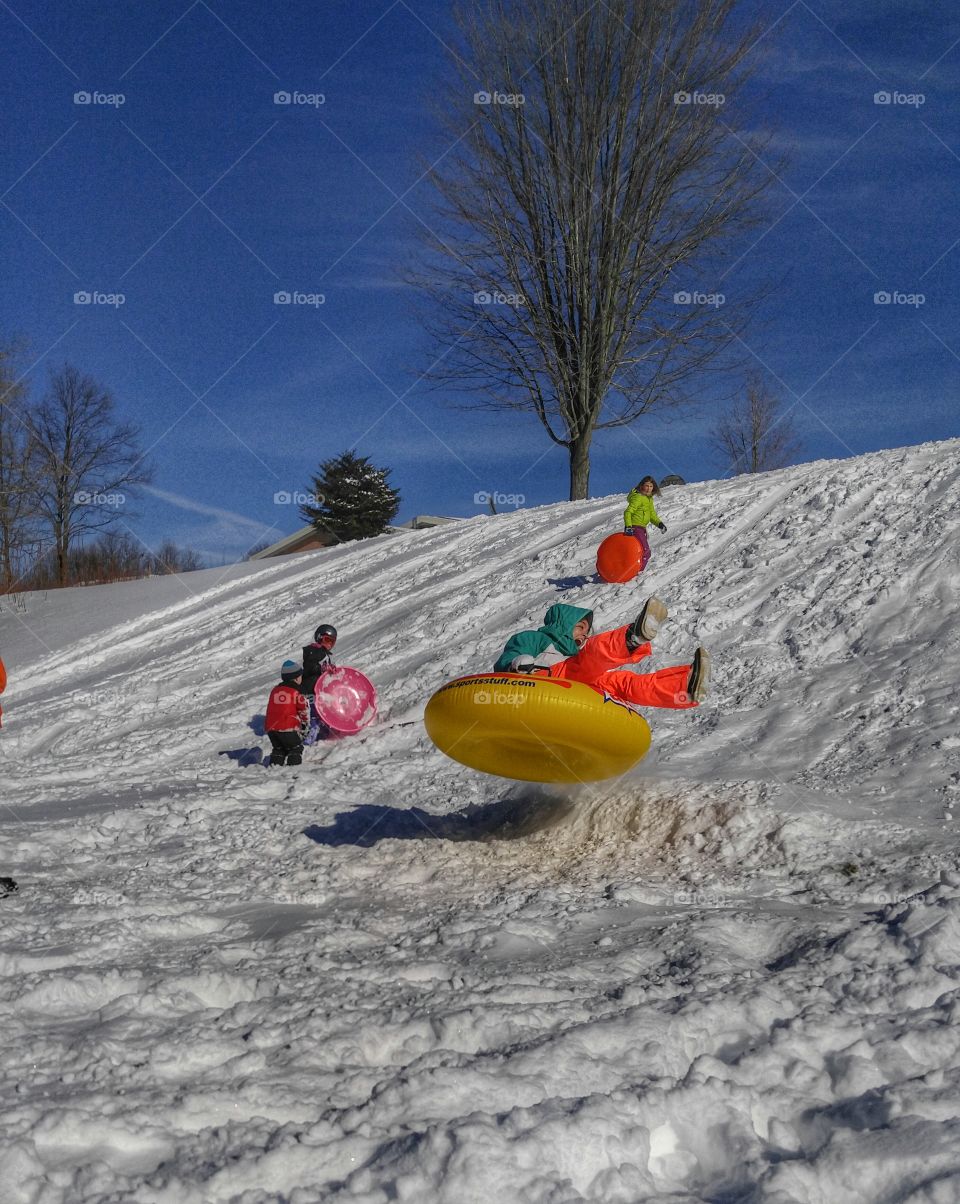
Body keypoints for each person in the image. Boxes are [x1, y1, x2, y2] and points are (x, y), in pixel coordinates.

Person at [494, 598, 709, 709]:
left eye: (587, 631)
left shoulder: (572, 656)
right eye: (579, 627)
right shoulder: (536, 638)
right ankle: (632, 638)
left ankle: (684, 688)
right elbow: (511, 655)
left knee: (620, 681)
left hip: (576, 691)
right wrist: (518, 662)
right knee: (588, 658)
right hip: (539, 684)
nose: (584, 634)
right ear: (562, 624)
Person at [265, 659, 310, 766]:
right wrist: (305, 724)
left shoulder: (275, 690)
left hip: (271, 728)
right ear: (295, 678)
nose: (301, 678)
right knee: (295, 748)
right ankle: (292, 770)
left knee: (279, 749)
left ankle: (273, 769)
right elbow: (303, 710)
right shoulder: (297, 691)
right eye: (300, 676)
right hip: (287, 727)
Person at [300, 624, 337, 744]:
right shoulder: (313, 650)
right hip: (310, 690)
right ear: (319, 637)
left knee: (323, 712)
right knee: (314, 715)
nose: (329, 644)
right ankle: (308, 740)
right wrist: (322, 668)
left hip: (319, 690)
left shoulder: (325, 654)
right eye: (327, 640)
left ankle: (324, 733)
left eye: (332, 642)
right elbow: (309, 668)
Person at [623, 475, 666, 570]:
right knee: (646, 552)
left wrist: (660, 524)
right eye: (647, 486)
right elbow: (628, 512)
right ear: (642, 486)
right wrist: (628, 527)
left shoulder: (649, 499)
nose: (648, 488)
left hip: (642, 529)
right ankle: (638, 572)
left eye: (651, 486)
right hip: (635, 528)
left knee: (638, 552)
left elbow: (652, 515)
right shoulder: (638, 497)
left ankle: (632, 570)